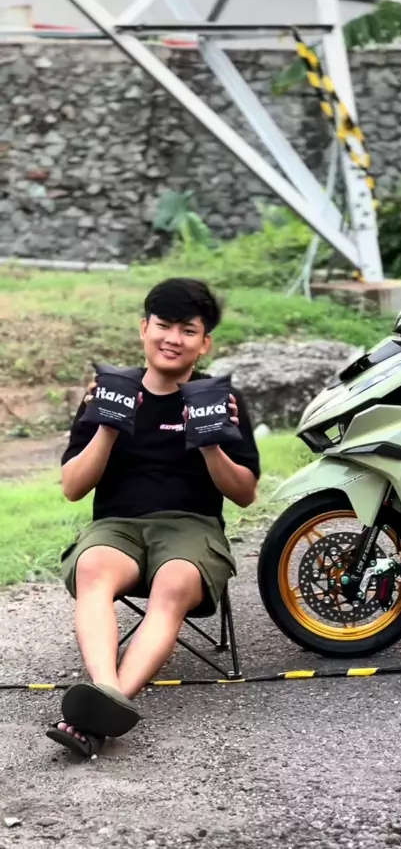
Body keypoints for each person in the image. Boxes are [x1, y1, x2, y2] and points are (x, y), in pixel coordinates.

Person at [47, 278, 261, 757]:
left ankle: (99, 709)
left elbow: (245, 494)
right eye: (164, 325)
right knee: (92, 568)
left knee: (173, 582)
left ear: (205, 343)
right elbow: (73, 487)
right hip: (117, 527)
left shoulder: (219, 400)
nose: (173, 338)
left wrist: (209, 442)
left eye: (188, 330)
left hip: (192, 528)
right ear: (144, 328)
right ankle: (107, 695)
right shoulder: (108, 393)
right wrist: (108, 425)